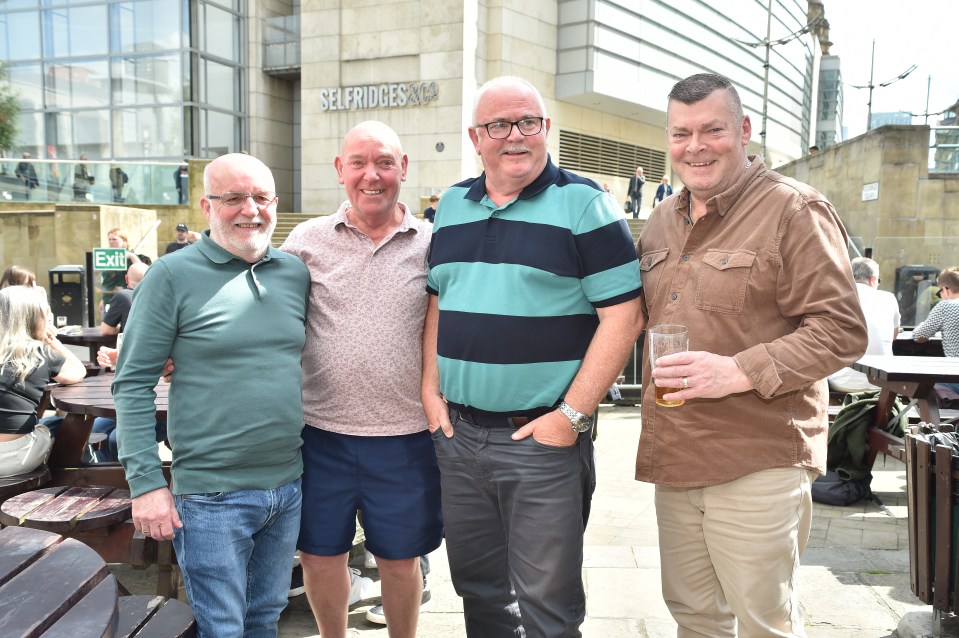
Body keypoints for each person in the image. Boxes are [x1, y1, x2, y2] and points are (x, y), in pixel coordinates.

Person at [636, 73, 867, 637]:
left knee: (764, 624)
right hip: (676, 454)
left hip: (756, 457)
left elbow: (842, 329)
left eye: (712, 130)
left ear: (742, 130)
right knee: (694, 618)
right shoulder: (664, 216)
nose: (696, 146)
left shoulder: (794, 210)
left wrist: (737, 370)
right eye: (681, 133)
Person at [422, 76, 643, 637]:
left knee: (548, 604)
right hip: (459, 437)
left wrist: (571, 416)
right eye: (499, 124)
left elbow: (626, 315)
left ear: (546, 129)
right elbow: (439, 300)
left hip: (540, 440)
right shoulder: (450, 205)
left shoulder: (586, 205)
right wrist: (430, 389)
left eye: (528, 122)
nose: (514, 135)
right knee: (479, 593)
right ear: (477, 136)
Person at [112, 153, 310, 637]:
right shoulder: (170, 275)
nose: (250, 209)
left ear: (276, 204)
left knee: (265, 620)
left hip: (287, 486)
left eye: (261, 198)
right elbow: (133, 382)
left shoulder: (294, 273)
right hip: (210, 495)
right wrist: (145, 483)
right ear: (206, 206)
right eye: (233, 198)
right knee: (222, 628)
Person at [281, 121, 442, 638]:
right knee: (318, 554)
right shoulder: (306, 240)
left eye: (384, 163)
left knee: (400, 559)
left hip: (405, 435)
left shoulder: (433, 244)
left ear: (403, 168)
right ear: (339, 169)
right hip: (319, 433)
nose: (371, 176)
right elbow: (264, 313)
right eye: (358, 163)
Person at [0, 285, 86, 477]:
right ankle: (66, 478)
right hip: (16, 457)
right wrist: (52, 340)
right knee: (55, 423)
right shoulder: (39, 353)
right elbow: (78, 372)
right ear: (33, 318)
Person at [828, 257, 901, 392]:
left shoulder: (836, 297)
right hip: (882, 382)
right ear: (873, 279)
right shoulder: (889, 298)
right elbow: (893, 337)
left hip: (841, 381)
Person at [914, 267, 959, 405]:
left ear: (945, 289)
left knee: (920, 387)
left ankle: (934, 424)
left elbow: (919, 335)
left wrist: (922, 325)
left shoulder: (946, 306)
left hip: (955, 380)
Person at [100, 261, 148, 335]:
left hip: (134, 345)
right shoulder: (162, 296)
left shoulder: (123, 296)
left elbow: (106, 330)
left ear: (126, 278)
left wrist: (120, 329)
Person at [99, 228, 142, 308]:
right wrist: (103, 299)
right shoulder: (107, 257)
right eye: (109, 239)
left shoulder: (132, 256)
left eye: (114, 239)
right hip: (109, 298)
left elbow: (140, 272)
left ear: (124, 241)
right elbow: (106, 280)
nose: (111, 242)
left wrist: (132, 256)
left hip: (128, 298)